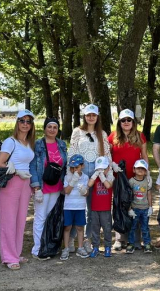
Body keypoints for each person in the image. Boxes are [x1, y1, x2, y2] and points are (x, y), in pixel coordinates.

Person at [0, 109, 36, 270]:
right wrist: (15, 170)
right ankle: (9, 257)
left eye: (28, 121)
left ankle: (16, 252)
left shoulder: (28, 143)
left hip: (25, 183)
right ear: (17, 122)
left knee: (20, 219)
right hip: (11, 181)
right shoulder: (10, 142)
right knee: (8, 220)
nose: (25, 124)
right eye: (22, 121)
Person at [69, 104, 111, 253]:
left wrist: (106, 171)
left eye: (93, 115)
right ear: (84, 117)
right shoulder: (77, 132)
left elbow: (106, 155)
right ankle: (70, 239)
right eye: (88, 115)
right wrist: (73, 171)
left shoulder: (102, 134)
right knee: (77, 205)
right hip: (81, 172)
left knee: (92, 208)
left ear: (97, 117)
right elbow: (72, 152)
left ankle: (88, 239)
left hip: (97, 174)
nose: (91, 117)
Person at [109, 108, 147, 250]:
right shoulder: (112, 137)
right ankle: (119, 239)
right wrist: (111, 166)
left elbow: (144, 156)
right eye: (123, 120)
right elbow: (107, 155)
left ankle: (136, 239)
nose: (126, 122)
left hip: (136, 178)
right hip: (118, 178)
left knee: (136, 206)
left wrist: (146, 174)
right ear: (119, 122)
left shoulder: (140, 136)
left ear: (133, 122)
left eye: (129, 120)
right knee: (120, 206)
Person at [29, 117, 67, 260]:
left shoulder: (62, 144)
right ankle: (38, 249)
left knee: (52, 217)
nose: (52, 130)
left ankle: (49, 245)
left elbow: (65, 165)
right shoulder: (38, 144)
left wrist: (64, 184)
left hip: (57, 186)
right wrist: (36, 186)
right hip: (42, 187)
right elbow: (33, 166)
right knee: (40, 217)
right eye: (49, 127)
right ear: (45, 128)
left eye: (55, 127)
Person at [61, 154, 90, 260]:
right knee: (67, 227)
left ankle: (80, 248)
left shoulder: (85, 177)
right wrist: (73, 180)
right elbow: (67, 191)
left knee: (80, 227)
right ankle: (66, 248)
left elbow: (87, 193)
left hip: (80, 207)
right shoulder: (67, 177)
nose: (74, 170)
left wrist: (84, 191)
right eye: (72, 168)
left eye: (76, 167)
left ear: (82, 166)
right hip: (68, 207)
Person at [88, 156, 115, 258]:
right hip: (95, 208)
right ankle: (95, 247)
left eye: (104, 169)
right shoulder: (95, 178)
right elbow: (89, 184)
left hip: (106, 209)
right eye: (99, 169)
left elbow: (108, 186)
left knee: (107, 228)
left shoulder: (110, 177)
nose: (101, 171)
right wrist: (95, 175)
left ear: (108, 168)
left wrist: (103, 177)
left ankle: (108, 247)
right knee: (95, 229)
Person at [127, 159, 153, 254]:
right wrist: (129, 209)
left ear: (146, 171)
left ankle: (147, 244)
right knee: (133, 227)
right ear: (134, 169)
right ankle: (131, 244)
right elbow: (128, 196)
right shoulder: (131, 181)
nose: (140, 170)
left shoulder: (147, 181)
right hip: (135, 208)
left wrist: (150, 206)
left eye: (143, 168)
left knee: (145, 227)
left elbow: (149, 194)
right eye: (138, 168)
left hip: (145, 208)